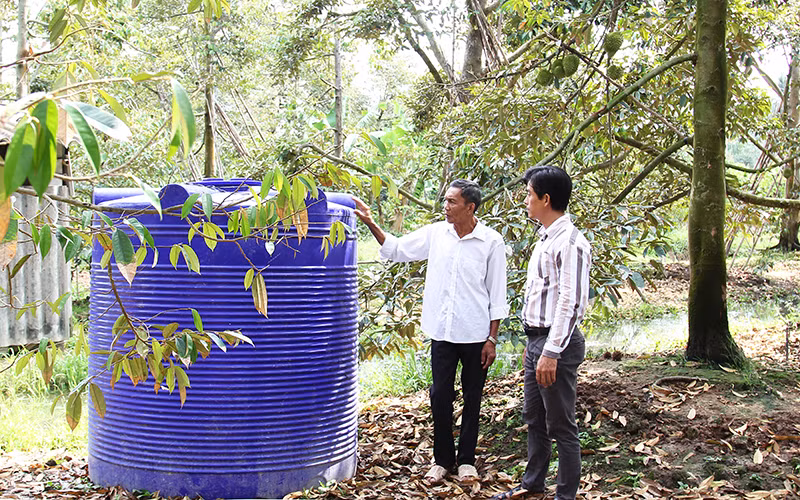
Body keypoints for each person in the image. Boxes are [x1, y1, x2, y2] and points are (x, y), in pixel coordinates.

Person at [352, 179, 509, 485]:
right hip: (443, 333)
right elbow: (397, 249)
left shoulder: (491, 242)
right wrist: (370, 221)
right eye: (445, 201)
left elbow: (497, 294)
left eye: (452, 202)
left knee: (473, 397)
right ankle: (442, 461)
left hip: (476, 335)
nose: (446, 207)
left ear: (470, 207)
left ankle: (466, 461)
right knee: (440, 395)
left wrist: (492, 338)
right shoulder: (437, 234)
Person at [491, 166, 591, 500]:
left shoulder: (572, 243)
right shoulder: (545, 238)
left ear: (545, 199)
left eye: (529, 195)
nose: (525, 201)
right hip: (537, 340)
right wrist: (532, 344)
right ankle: (533, 484)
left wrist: (550, 351)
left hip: (556, 345)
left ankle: (565, 495)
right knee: (533, 417)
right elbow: (542, 297)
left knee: (561, 425)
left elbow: (570, 304)